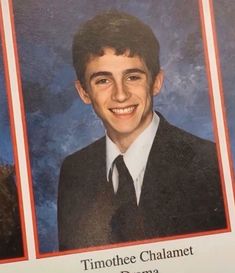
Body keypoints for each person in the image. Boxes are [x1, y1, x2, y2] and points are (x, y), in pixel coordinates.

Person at [58, 10, 227, 251]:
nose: (120, 94)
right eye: (103, 80)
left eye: (133, 77)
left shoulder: (209, 162)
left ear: (156, 82)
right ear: (84, 92)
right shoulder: (74, 171)